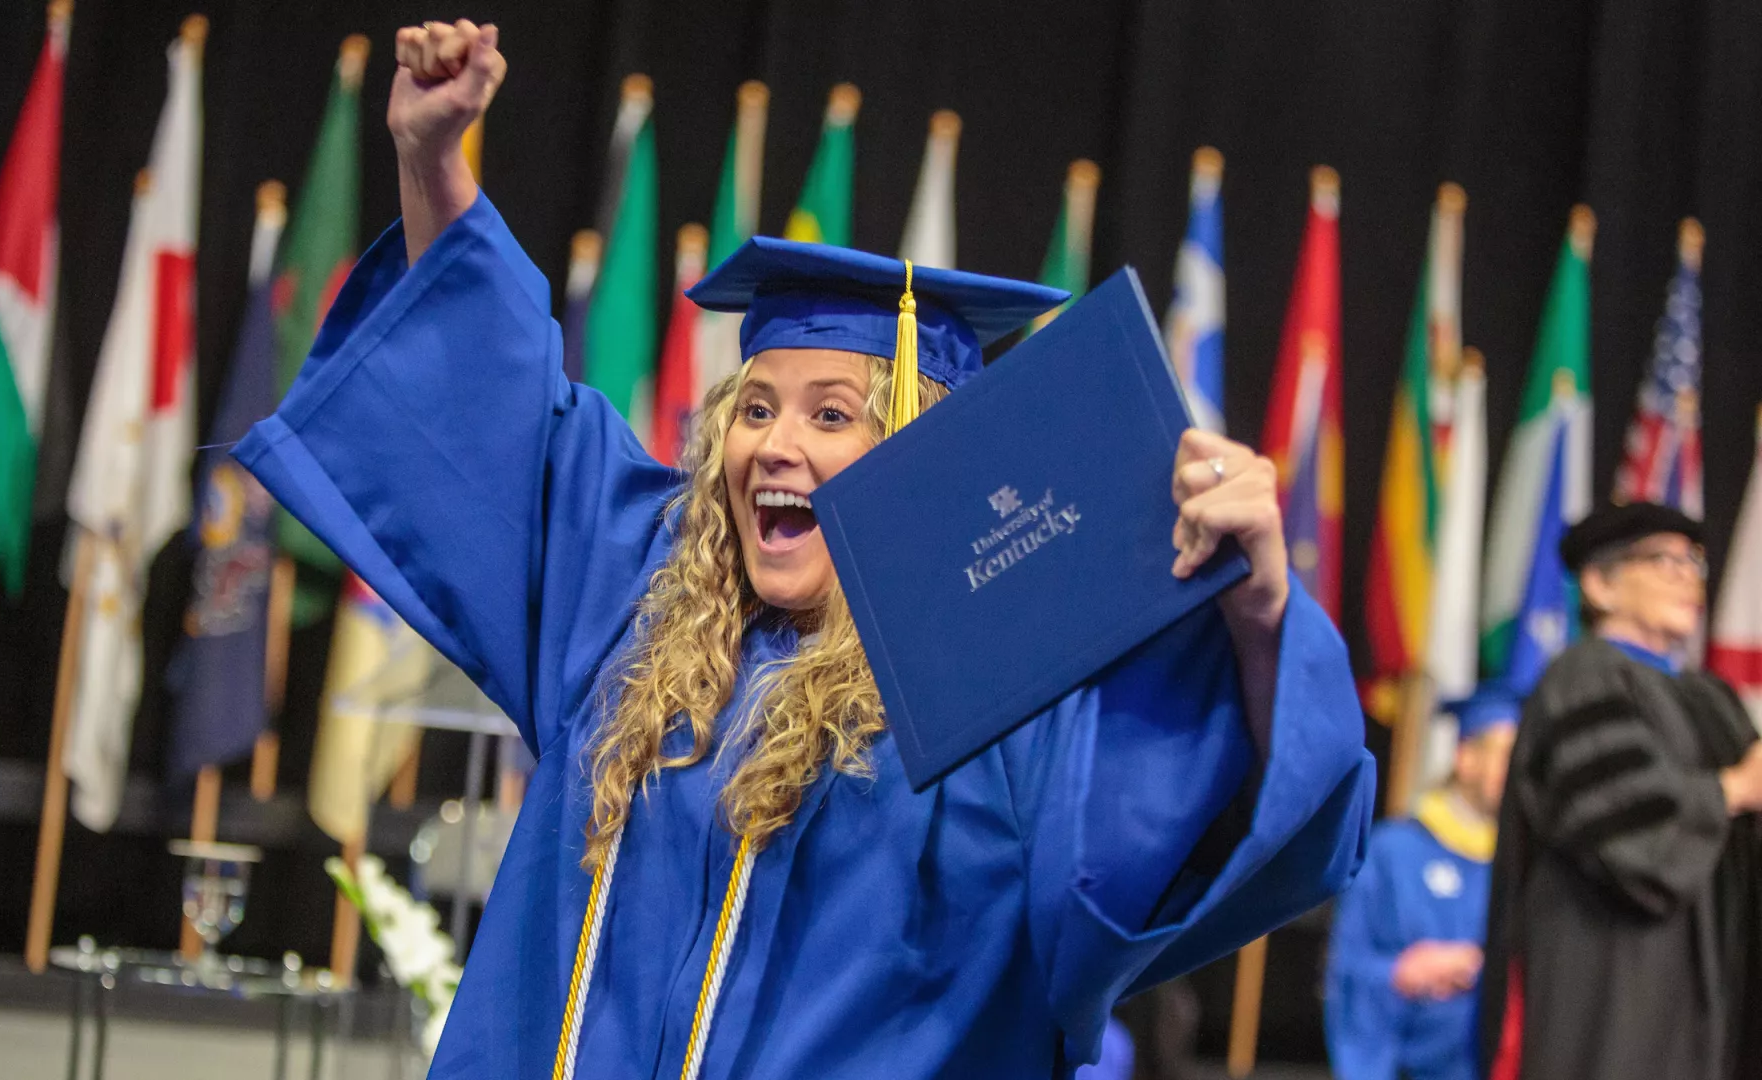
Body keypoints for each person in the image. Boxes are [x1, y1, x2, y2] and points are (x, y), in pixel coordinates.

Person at [235, 19, 1376, 1078]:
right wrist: (434, 163)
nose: (777, 444)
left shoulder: (1003, 701)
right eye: (758, 405)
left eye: (835, 415)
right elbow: (494, 407)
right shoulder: (633, 605)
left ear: (927, 464)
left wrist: (1262, 612)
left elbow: (1201, 808)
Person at [1477, 501, 1762, 1080]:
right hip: (1614, 984)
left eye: (1693, 562)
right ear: (1600, 584)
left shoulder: (1712, 699)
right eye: (1663, 559)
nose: (1687, 576)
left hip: (1710, 992)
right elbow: (1628, 831)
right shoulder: (1583, 679)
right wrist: (1731, 789)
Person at [1325, 688, 1519, 1080]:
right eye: (1504, 754)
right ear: (1465, 757)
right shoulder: (1393, 853)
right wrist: (1403, 973)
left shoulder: (1525, 866)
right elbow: (1347, 971)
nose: (1516, 771)